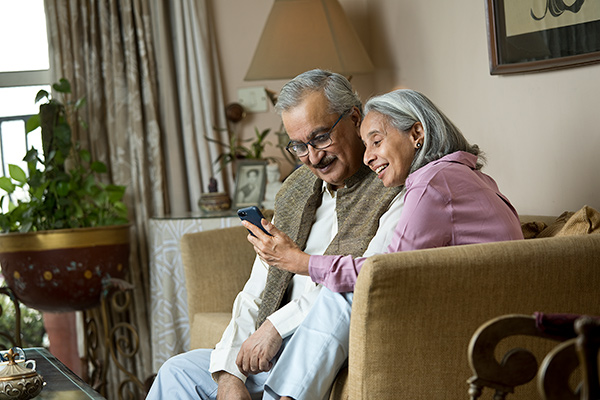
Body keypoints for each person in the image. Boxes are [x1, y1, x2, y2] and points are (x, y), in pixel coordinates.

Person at [243, 89, 525, 399]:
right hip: (492, 310)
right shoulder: (464, 175)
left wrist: (301, 262)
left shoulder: (432, 183)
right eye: (366, 146)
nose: (367, 157)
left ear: (417, 132)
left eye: (376, 141)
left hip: (477, 319)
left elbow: (381, 272)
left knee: (343, 296)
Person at [146, 69, 405, 400]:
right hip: (269, 351)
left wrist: (276, 326)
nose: (313, 157)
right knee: (177, 373)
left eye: (321, 137)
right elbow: (258, 288)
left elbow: (359, 282)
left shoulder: (391, 186)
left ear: (354, 119)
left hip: (323, 346)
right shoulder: (296, 190)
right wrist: (229, 375)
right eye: (298, 146)